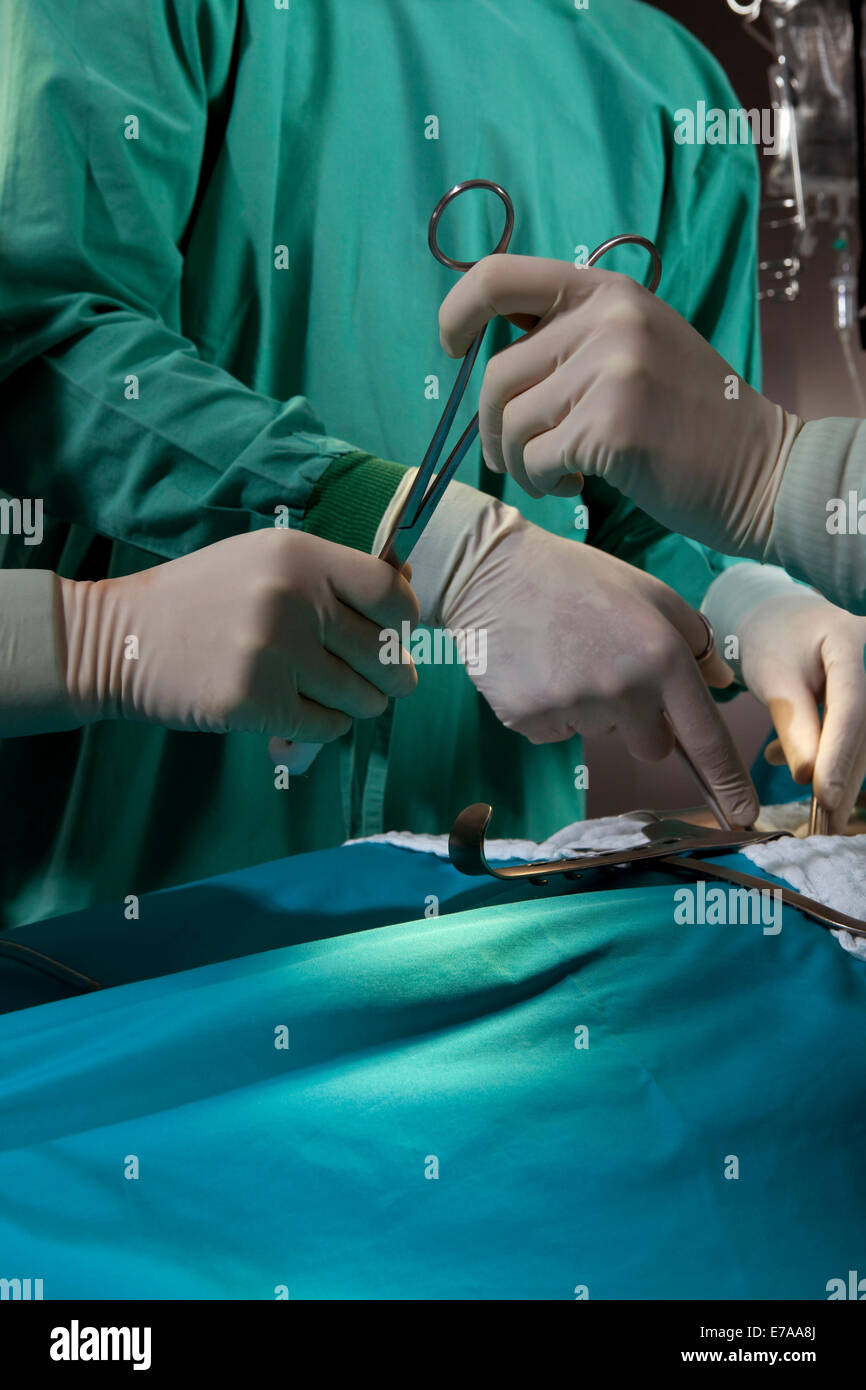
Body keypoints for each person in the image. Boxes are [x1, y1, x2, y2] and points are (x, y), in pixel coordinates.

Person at [0, 0, 774, 927]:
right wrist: (394, 522)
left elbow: (657, 511)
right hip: (128, 903)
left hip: (490, 909)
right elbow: (44, 335)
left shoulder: (671, 90)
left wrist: (750, 601)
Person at [436, 255, 866, 832]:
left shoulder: (698, 166)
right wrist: (357, 505)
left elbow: (645, 506)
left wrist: (739, 598)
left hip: (507, 815)